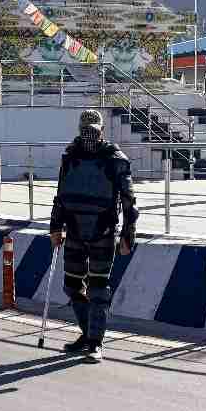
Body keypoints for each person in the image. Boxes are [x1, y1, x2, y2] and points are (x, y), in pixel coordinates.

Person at [49, 110, 139, 363]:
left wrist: (128, 233)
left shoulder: (114, 158)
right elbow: (61, 194)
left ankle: (95, 342)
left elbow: (129, 199)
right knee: (72, 285)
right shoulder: (70, 156)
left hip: (103, 230)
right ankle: (88, 334)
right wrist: (55, 227)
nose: (89, 133)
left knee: (98, 288)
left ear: (101, 131)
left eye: (93, 129)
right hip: (75, 229)